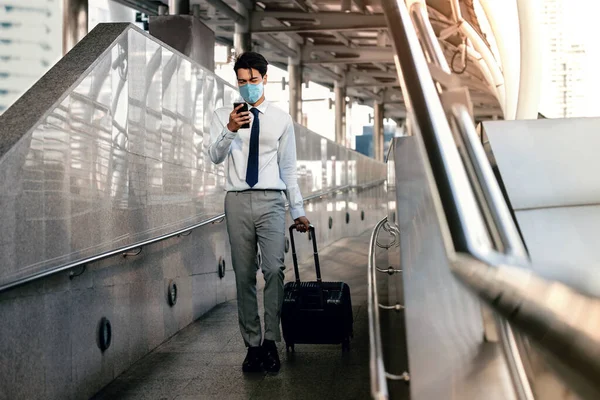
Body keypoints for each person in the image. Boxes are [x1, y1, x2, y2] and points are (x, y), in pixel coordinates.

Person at [208, 51, 310, 373]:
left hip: (271, 200)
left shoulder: (281, 119)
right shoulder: (223, 114)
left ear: (265, 78)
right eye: (241, 82)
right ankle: (252, 345)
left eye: (253, 80)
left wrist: (298, 210)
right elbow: (214, 155)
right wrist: (230, 129)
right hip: (237, 201)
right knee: (244, 276)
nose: (248, 87)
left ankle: (271, 342)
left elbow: (289, 168)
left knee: (275, 270)